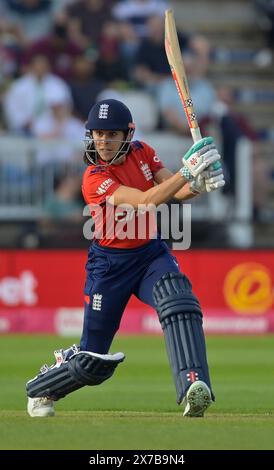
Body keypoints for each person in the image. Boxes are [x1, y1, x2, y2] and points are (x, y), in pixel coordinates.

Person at [26, 99, 225, 418]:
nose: (102, 141)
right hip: (109, 267)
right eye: (97, 134)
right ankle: (41, 388)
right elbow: (147, 201)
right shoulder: (93, 177)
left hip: (149, 254)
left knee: (180, 301)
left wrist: (199, 184)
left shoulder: (144, 152)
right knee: (92, 359)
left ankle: (194, 387)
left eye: (110, 134)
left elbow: (174, 190)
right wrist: (188, 171)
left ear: (127, 135)